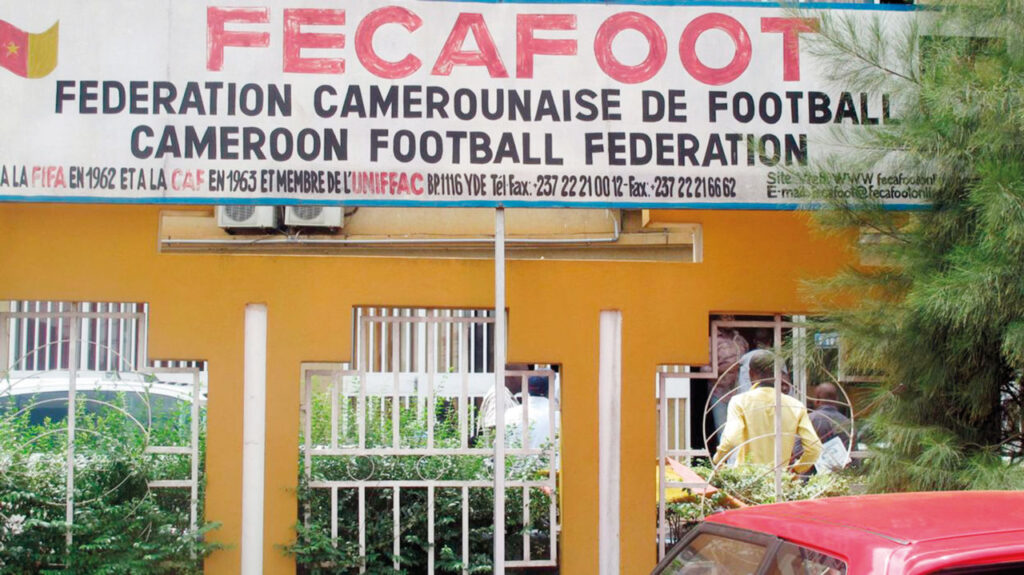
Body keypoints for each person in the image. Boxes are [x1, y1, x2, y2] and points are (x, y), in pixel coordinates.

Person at [712, 350, 822, 474]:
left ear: (751, 373)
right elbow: (814, 448)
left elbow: (731, 440)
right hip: (780, 479)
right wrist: (796, 470)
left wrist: (717, 461)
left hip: (748, 479)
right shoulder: (795, 406)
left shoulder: (740, 402)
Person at [809, 382, 851, 449]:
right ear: (837, 399)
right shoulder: (847, 422)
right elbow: (852, 450)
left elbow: (797, 449)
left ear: (817, 400)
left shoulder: (809, 420)